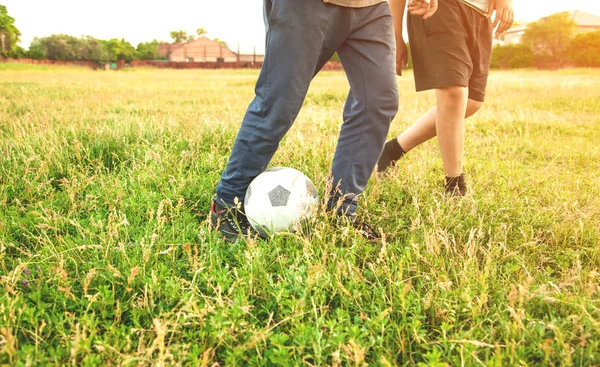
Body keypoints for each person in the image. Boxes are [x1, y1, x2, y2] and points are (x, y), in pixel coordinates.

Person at [210, 0, 438, 243]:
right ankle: (227, 204)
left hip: (371, 7)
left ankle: (342, 208)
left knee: (378, 101)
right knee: (279, 102)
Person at [377, 0, 514, 195]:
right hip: (437, 7)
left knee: (472, 102)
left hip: (481, 13)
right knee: (454, 93)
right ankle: (455, 186)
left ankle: (390, 151)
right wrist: (395, 33)